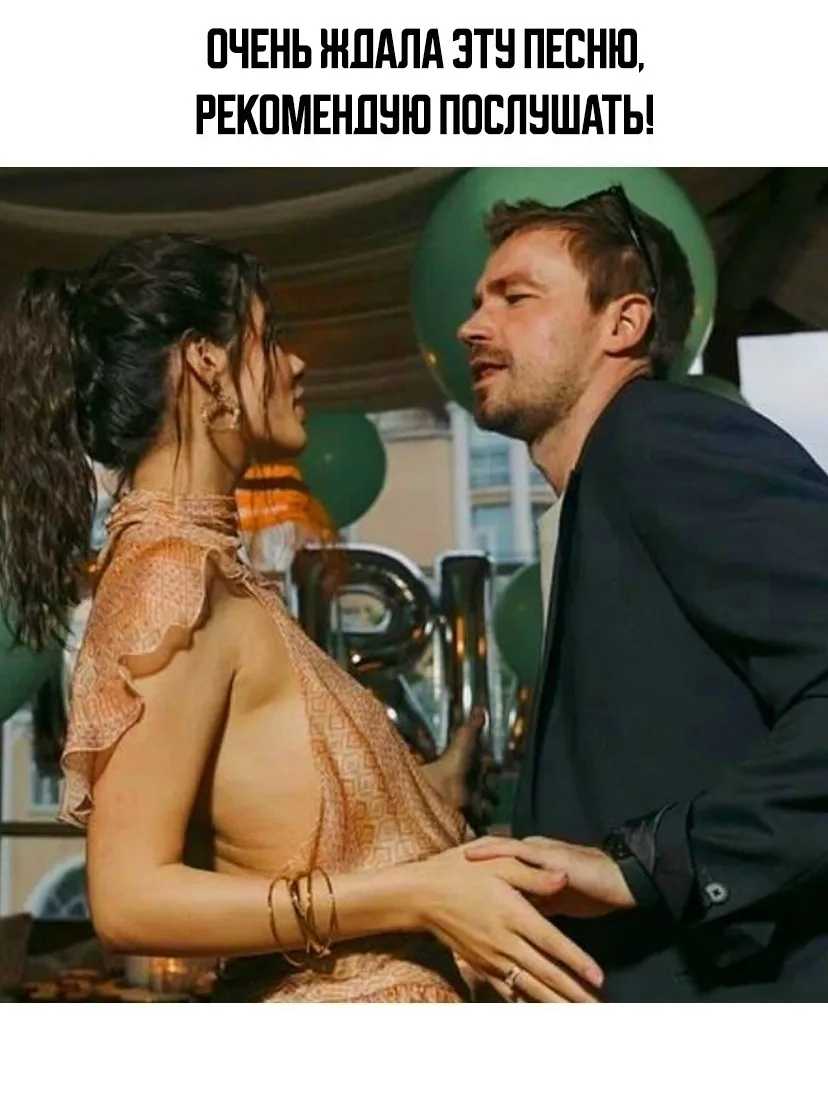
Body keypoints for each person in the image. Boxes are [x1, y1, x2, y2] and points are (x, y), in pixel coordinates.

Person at [0, 233, 604, 1003]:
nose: (295, 363)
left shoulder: (212, 571)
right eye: (269, 337)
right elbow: (129, 899)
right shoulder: (170, 581)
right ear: (205, 362)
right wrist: (420, 893)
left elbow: (271, 814)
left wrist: (426, 793)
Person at [457, 187, 828, 1001]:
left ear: (623, 324)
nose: (472, 326)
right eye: (478, 301)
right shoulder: (598, 494)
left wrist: (654, 864)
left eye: (515, 297)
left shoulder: (660, 437)